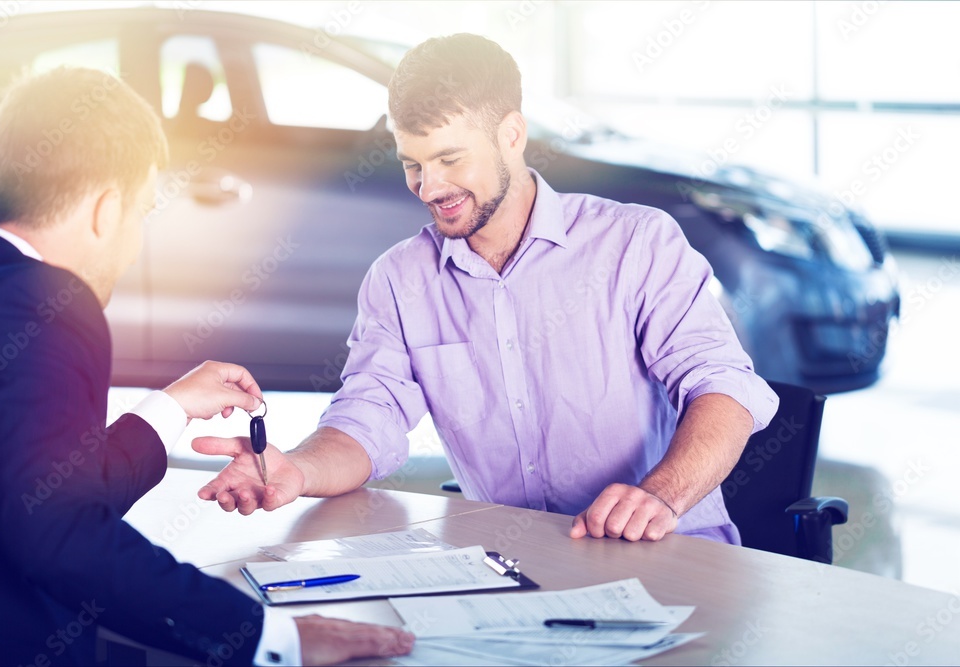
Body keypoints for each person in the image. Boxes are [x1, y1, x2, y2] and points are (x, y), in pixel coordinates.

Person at [196, 34, 778, 545]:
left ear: (512, 135)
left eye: (450, 158)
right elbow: (369, 416)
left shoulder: (636, 243)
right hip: (512, 564)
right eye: (412, 164)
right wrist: (297, 468)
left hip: (672, 547)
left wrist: (662, 496)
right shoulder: (401, 280)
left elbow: (722, 385)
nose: (429, 187)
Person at [0, 67, 413, 666]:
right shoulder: (48, 305)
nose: (135, 242)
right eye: (142, 212)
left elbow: (24, 497)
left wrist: (170, 406)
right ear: (105, 209)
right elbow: (62, 538)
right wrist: (267, 637)